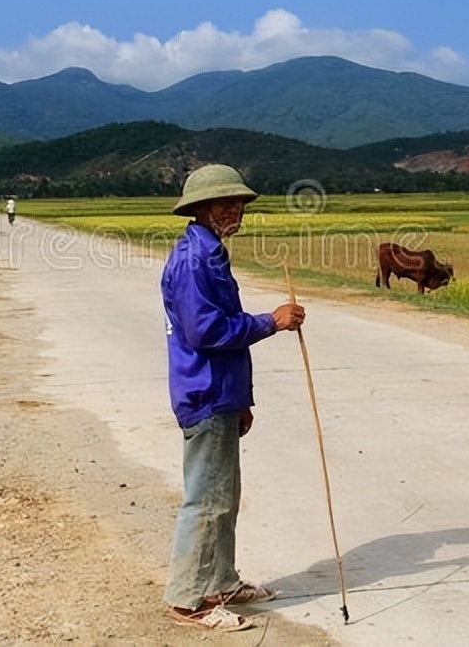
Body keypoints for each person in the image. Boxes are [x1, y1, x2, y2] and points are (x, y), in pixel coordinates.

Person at [160, 164, 306, 632]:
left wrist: (242, 398)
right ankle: (188, 600)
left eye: (238, 201)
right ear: (200, 209)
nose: (234, 210)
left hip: (221, 393)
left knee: (224, 495)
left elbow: (221, 334)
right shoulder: (192, 262)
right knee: (206, 498)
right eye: (224, 203)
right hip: (204, 392)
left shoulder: (211, 253)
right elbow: (205, 331)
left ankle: (221, 580)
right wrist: (272, 321)